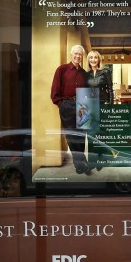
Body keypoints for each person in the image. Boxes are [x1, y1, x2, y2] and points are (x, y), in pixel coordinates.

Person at [50, 45, 89, 174]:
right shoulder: (62, 69)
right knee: (72, 136)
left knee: (81, 135)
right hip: (67, 105)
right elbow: (55, 91)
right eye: (76, 54)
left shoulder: (84, 73)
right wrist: (61, 104)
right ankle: (80, 164)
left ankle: (81, 161)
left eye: (80, 54)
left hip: (82, 105)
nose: (78, 56)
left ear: (82, 57)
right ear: (71, 54)